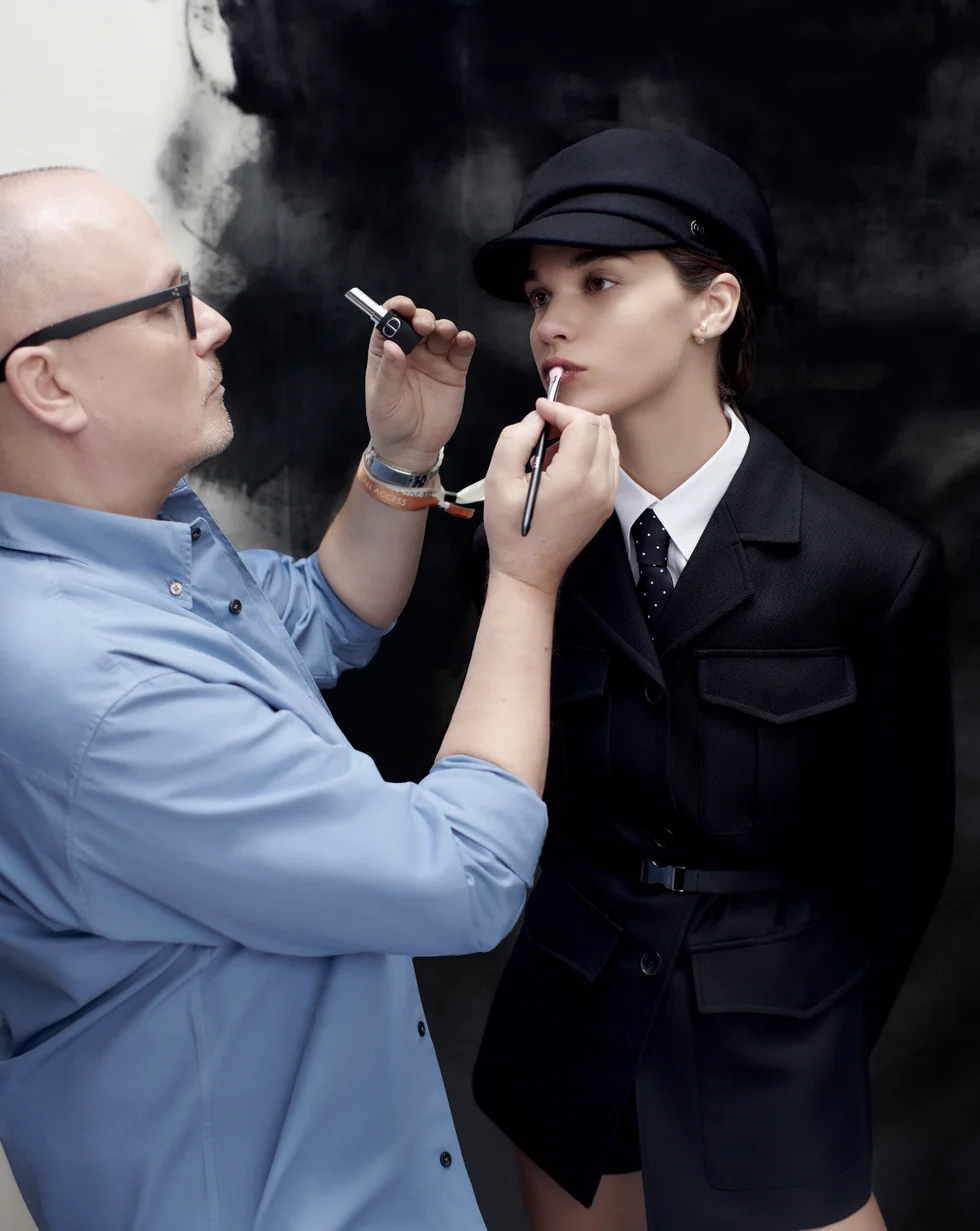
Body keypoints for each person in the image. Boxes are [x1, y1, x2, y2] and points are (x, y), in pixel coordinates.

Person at [0, 166, 619, 1231]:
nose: (215, 325)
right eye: (168, 307)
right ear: (51, 384)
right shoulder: (88, 691)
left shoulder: (124, 563)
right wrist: (524, 578)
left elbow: (320, 618)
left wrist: (402, 455)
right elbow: (461, 873)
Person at [468, 127, 954, 1231]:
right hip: (570, 1023)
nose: (552, 319)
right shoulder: (521, 532)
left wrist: (803, 1020)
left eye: (598, 280)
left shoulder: (865, 563)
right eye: (541, 291)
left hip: (773, 1038)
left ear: (712, 304)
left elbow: (898, 862)